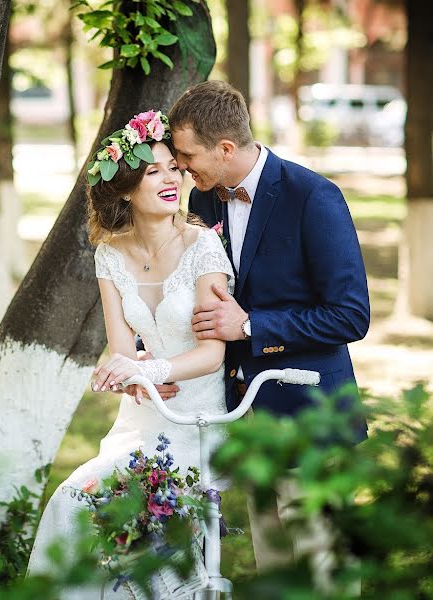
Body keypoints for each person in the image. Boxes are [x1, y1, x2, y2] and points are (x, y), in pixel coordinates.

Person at [167, 80, 369, 589]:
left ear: (226, 148)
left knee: (324, 568)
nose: (182, 167)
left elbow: (350, 315)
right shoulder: (205, 200)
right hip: (247, 416)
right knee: (274, 567)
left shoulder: (313, 197)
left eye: (189, 155)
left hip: (310, 414)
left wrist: (253, 326)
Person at [27, 109, 235, 598]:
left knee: (146, 518)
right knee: (74, 500)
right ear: (124, 189)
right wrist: (131, 373)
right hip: (142, 420)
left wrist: (154, 367)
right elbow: (121, 350)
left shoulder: (204, 247)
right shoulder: (110, 255)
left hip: (199, 421)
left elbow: (211, 354)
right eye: (152, 171)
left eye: (172, 167)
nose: (170, 179)